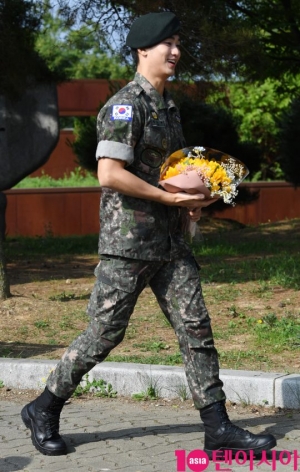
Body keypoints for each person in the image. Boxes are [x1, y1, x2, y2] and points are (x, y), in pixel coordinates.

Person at [21, 11, 276, 458]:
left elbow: (172, 175)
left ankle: (217, 428)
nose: (175, 52)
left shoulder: (169, 108)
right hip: (128, 242)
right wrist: (169, 199)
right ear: (142, 50)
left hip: (171, 242)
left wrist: (194, 203)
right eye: (166, 44)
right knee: (105, 333)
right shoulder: (124, 106)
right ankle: (43, 407)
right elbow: (109, 174)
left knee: (195, 327)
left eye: (178, 43)